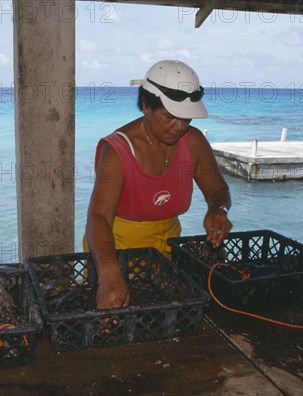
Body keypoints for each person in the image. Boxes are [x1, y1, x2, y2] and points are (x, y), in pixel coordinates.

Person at [85, 60, 232, 310]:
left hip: (166, 253)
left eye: (187, 119)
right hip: (115, 254)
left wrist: (218, 210)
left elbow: (218, 191)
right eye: (169, 117)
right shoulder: (117, 151)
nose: (180, 127)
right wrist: (109, 273)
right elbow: (98, 216)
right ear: (145, 106)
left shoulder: (193, 142)